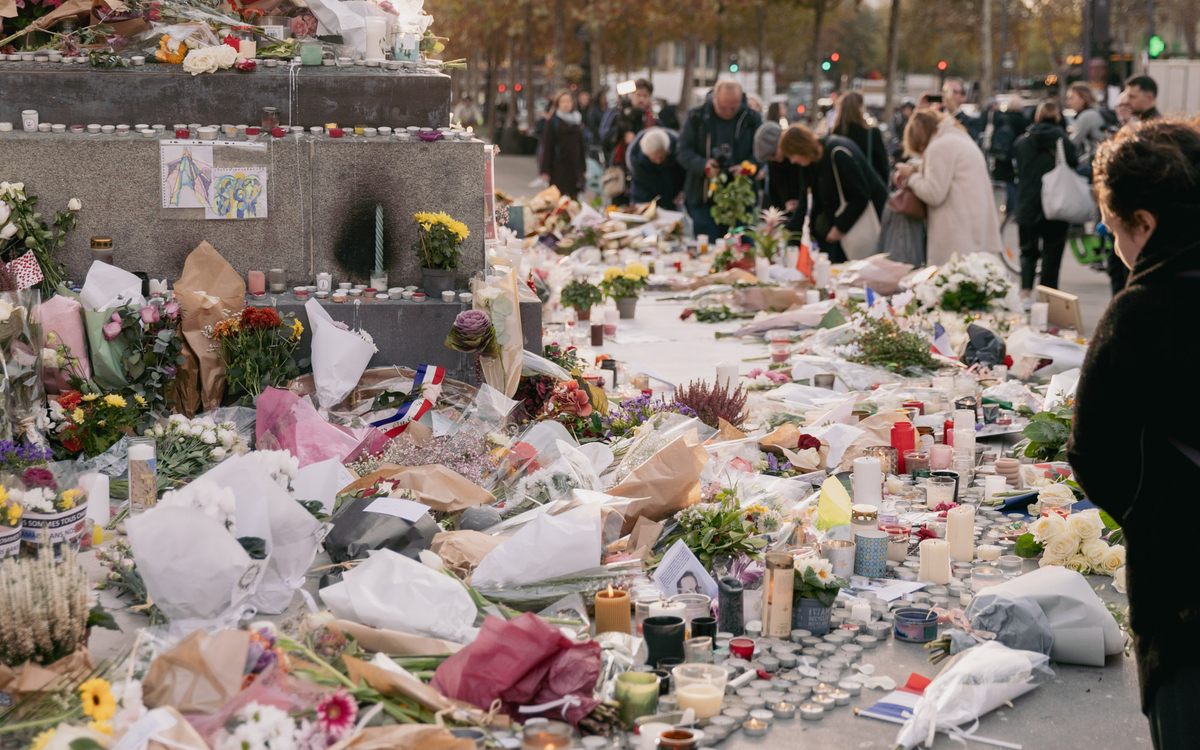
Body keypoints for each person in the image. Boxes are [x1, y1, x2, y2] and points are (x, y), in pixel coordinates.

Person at [1067, 119, 1200, 750]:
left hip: (1185, 599)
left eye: (1112, 228)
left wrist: (1152, 515)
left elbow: (1092, 451)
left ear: (1143, 224)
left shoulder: (1145, 309)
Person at [892, 109, 1002, 267]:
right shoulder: (956, 137)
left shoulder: (939, 147)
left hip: (957, 237)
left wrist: (911, 177)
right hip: (973, 230)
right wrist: (915, 168)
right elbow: (941, 170)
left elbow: (933, 193)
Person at [778, 124, 886, 262]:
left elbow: (860, 196)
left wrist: (840, 227)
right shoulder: (809, 163)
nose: (792, 161)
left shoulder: (838, 153)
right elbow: (806, 199)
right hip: (840, 227)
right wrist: (789, 230)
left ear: (801, 148)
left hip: (859, 222)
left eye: (792, 156)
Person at [677, 79, 764, 239]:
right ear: (714, 97)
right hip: (703, 199)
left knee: (741, 250)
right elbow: (682, 151)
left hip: (740, 202)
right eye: (724, 107)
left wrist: (748, 167)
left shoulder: (752, 118)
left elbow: (761, 153)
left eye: (734, 107)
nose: (729, 112)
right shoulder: (697, 116)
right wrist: (703, 165)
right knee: (706, 250)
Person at [1013, 100, 1078, 299]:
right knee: (1052, 254)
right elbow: (1073, 164)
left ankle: (1025, 293)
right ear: (1058, 118)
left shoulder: (1022, 142)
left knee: (1027, 251)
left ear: (1037, 116)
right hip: (1056, 204)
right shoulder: (1063, 142)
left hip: (1027, 203)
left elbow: (1016, 168)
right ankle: (1047, 297)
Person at [754, 121, 807, 233]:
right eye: (769, 158)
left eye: (773, 154)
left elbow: (807, 190)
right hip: (788, 220)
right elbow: (775, 194)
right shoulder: (773, 164)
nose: (772, 159)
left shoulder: (799, 159)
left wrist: (799, 202)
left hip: (804, 219)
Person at [538, 91, 587, 199]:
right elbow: (546, 146)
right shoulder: (553, 121)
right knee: (558, 202)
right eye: (563, 101)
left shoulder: (577, 120)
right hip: (558, 169)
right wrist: (544, 170)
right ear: (558, 103)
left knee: (574, 202)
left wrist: (583, 169)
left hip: (574, 170)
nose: (566, 104)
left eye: (568, 101)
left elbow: (581, 147)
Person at [832, 91, 888, 186]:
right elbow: (883, 166)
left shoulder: (834, 134)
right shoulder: (871, 133)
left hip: (842, 188)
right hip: (866, 188)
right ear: (861, 108)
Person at [627, 127, 686, 207]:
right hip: (648, 205)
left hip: (675, 204)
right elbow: (638, 196)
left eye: (661, 158)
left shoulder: (679, 155)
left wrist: (684, 190)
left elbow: (688, 176)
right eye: (654, 159)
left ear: (667, 150)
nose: (658, 161)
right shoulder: (639, 165)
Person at [989, 95, 1027, 214]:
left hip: (1003, 155)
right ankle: (1016, 206)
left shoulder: (1002, 118)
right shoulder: (1023, 121)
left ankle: (1010, 207)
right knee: (1018, 180)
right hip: (1018, 154)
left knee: (1008, 181)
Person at [1067, 81, 1108, 165]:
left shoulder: (1087, 115)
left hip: (1099, 162)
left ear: (1083, 99)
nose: (1069, 102)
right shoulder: (1096, 110)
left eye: (1072, 98)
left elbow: (1072, 144)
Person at [942, 77, 983, 142]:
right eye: (946, 91)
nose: (948, 95)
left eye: (953, 92)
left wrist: (954, 112)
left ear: (963, 97)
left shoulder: (972, 121)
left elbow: (971, 138)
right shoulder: (934, 114)